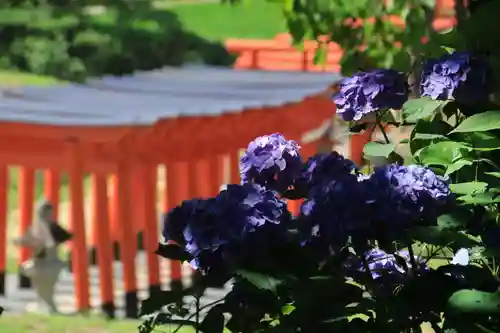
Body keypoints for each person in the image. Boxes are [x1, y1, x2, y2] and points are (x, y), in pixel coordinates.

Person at [12, 199, 72, 314]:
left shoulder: (53, 228)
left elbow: (66, 237)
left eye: (48, 212)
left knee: (47, 288)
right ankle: (45, 306)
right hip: (39, 263)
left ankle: (49, 307)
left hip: (51, 262)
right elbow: (26, 240)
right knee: (40, 288)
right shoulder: (36, 228)